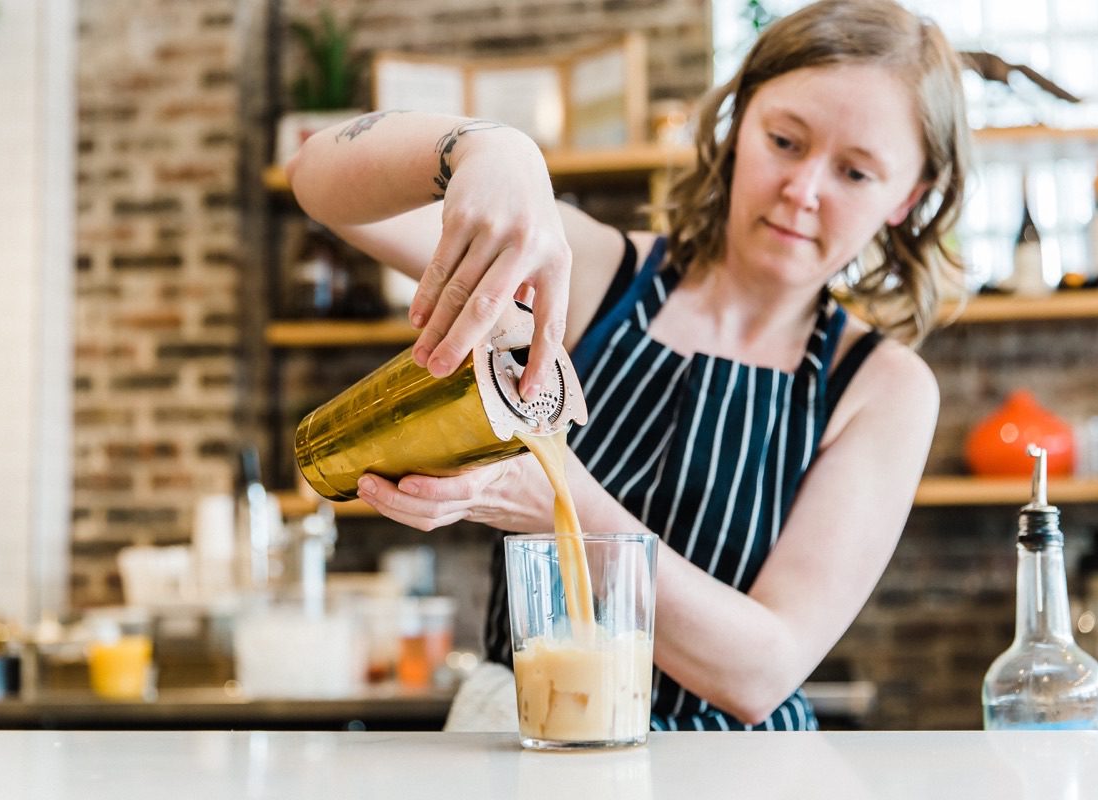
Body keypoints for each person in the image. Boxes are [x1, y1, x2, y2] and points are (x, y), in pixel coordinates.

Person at [285, 0, 969, 731]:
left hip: (726, 773)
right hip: (523, 740)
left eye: (856, 173)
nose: (802, 191)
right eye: (784, 140)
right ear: (737, 126)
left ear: (910, 199)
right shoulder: (583, 273)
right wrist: (487, 148)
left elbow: (760, 671)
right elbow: (318, 181)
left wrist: (548, 504)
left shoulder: (881, 387)